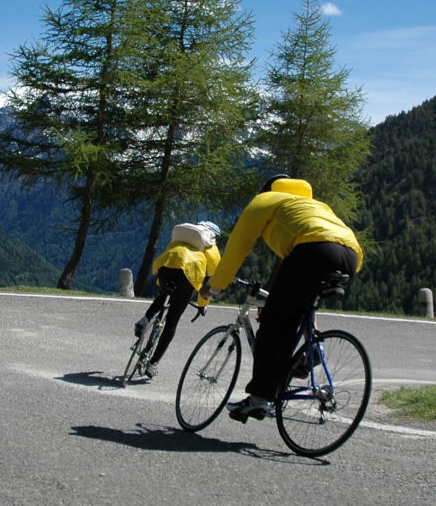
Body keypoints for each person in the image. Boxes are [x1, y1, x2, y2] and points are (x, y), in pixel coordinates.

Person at [200, 176, 363, 421]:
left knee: (273, 325)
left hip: (312, 250)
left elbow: (238, 246)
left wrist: (214, 286)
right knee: (301, 306)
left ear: (266, 190)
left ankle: (259, 399)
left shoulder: (265, 200)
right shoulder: (314, 205)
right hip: (351, 256)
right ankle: (314, 348)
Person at [134, 221, 222, 379]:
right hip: (188, 274)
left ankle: (145, 319)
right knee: (172, 321)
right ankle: (153, 364)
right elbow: (209, 282)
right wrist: (203, 306)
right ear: (215, 235)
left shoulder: (185, 234)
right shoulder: (211, 246)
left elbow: (170, 253)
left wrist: (162, 286)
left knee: (163, 296)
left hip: (165, 266)